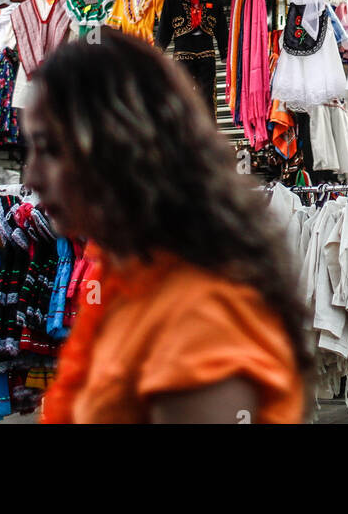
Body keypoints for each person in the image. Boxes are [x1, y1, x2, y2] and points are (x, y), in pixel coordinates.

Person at [25, 30, 311, 423]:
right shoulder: (121, 272)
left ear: (122, 144)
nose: (31, 177)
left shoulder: (197, 313)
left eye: (51, 149)